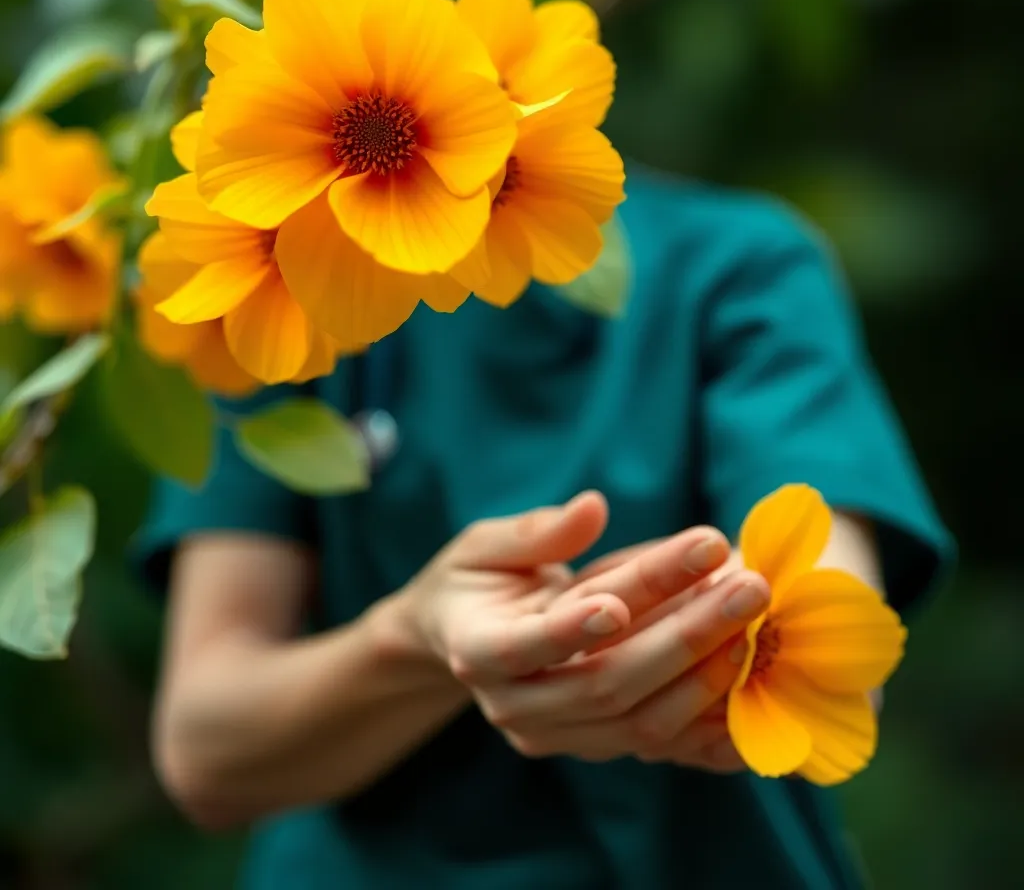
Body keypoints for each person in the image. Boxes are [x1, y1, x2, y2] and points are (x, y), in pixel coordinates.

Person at [134, 164, 953, 890]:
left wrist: (633, 642)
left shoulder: (740, 262)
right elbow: (205, 751)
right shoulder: (282, 268)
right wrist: (415, 638)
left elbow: (832, 645)